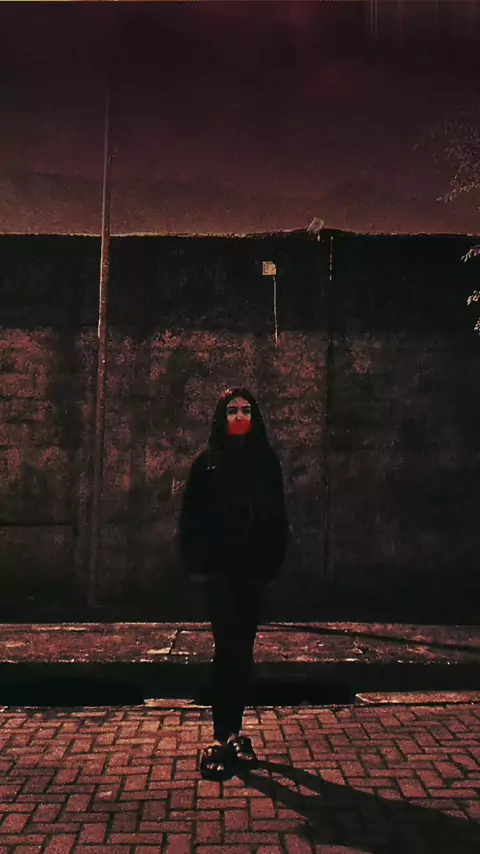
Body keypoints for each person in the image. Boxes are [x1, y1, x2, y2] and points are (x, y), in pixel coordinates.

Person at [178, 386, 289, 780]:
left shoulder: (265, 462)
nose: (239, 417)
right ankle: (222, 733)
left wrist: (272, 561)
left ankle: (234, 731)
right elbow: (191, 518)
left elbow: (277, 516)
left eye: (245, 410)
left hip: (252, 572)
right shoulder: (207, 463)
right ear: (221, 418)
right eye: (232, 411)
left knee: (242, 652)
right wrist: (197, 563)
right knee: (227, 650)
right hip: (220, 573)